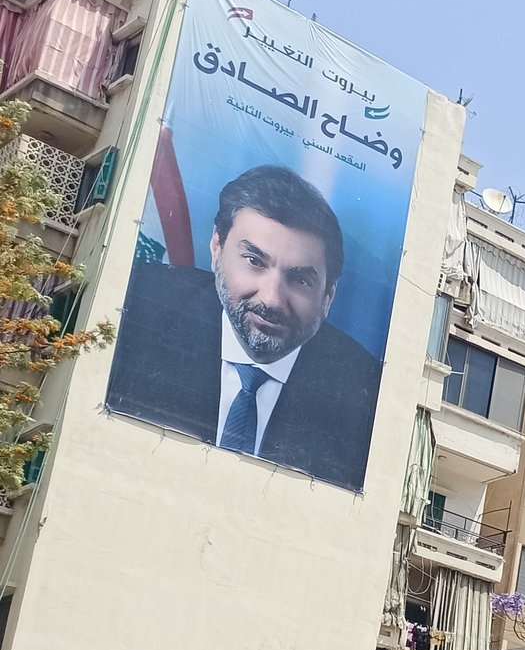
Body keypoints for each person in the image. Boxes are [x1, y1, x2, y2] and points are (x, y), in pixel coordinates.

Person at [104, 164, 382, 490]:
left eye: (300, 279)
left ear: (328, 297)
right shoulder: (138, 303)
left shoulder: (363, 391)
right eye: (254, 261)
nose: (272, 298)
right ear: (217, 249)